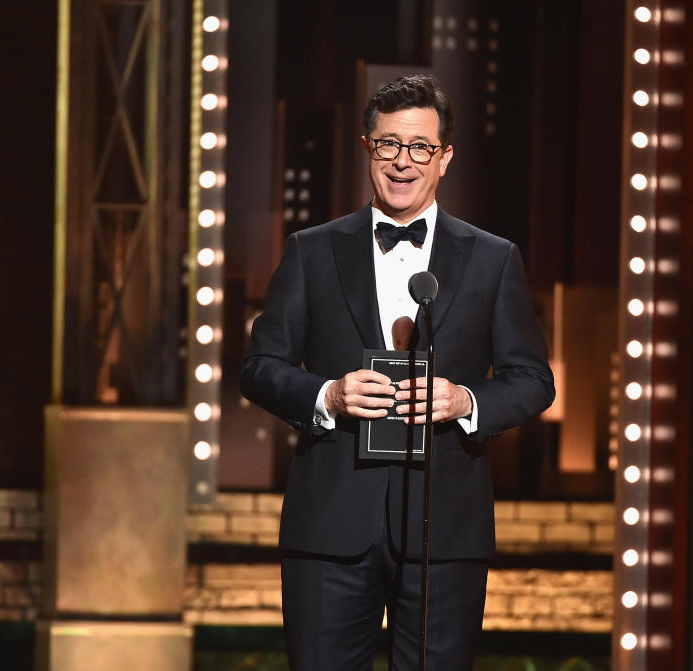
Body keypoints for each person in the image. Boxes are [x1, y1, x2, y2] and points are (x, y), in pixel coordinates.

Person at [240, 74, 554, 671]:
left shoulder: (493, 259)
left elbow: (533, 379)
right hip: (329, 530)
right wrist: (327, 394)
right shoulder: (312, 250)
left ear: (445, 159)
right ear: (367, 149)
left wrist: (465, 401)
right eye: (388, 145)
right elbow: (259, 367)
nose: (403, 162)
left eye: (420, 148)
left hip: (445, 533)